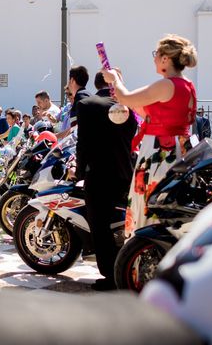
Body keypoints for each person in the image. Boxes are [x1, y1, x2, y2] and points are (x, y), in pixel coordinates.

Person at [103, 34, 198, 238]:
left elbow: (126, 98)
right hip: (178, 149)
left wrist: (115, 80)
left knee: (151, 205)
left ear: (166, 58)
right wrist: (120, 89)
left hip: (159, 151)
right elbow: (147, 112)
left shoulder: (166, 85)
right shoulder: (186, 85)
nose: (154, 59)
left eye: (156, 55)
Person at [76, 71, 137, 290]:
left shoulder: (87, 104)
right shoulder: (128, 106)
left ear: (96, 83)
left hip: (99, 174)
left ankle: (111, 275)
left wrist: (79, 172)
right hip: (125, 173)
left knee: (99, 225)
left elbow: (82, 143)